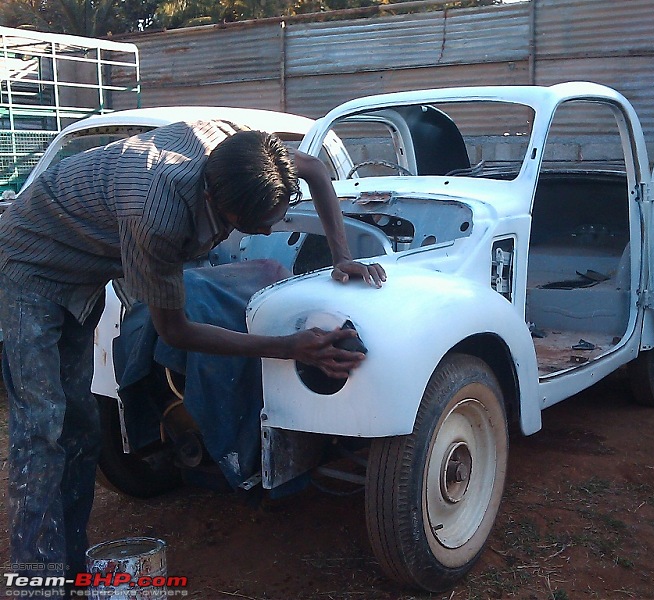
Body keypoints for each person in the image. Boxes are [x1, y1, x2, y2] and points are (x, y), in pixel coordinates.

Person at [0, 119, 386, 591]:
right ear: (218, 206)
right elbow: (175, 331)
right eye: (256, 224)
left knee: (80, 427)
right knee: (41, 429)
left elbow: (318, 173)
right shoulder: (155, 214)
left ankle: (71, 568)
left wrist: (340, 253)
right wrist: (285, 347)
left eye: (277, 214)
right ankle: (34, 581)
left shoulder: (245, 151)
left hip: (83, 272)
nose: (267, 228)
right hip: (29, 267)